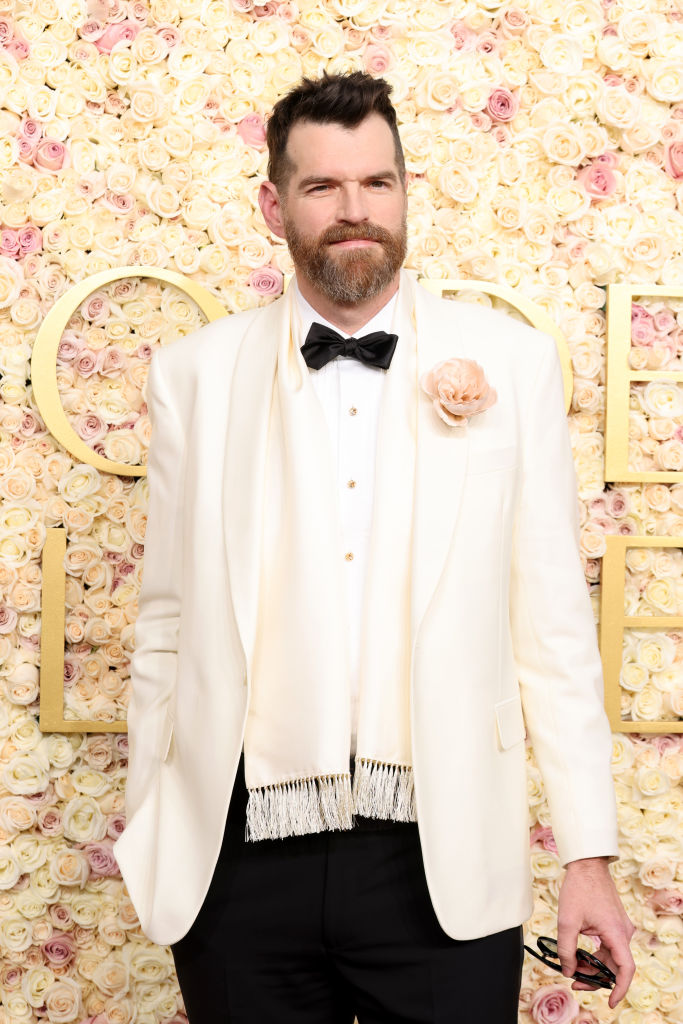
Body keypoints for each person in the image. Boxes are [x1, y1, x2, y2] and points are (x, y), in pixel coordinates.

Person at [113, 72, 635, 1023]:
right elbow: (168, 618)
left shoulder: (511, 365)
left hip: (442, 855)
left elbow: (553, 632)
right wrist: (156, 808)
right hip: (235, 862)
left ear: (404, 190)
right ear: (275, 203)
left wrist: (586, 856)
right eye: (321, 187)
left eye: (377, 183)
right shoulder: (191, 375)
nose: (354, 211)